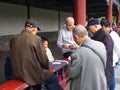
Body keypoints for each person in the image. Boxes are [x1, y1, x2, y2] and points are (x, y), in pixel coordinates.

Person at [10, 18, 61, 90]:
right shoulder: (36, 39)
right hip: (31, 74)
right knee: (53, 79)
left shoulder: (13, 39)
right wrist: (46, 68)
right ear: (34, 28)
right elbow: (43, 59)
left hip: (17, 74)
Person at [67, 24, 107, 90]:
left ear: (76, 37)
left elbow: (71, 73)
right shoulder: (101, 45)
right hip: (101, 84)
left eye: (74, 39)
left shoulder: (78, 53)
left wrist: (70, 62)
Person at [87, 18, 114, 90]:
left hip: (104, 69)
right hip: (99, 68)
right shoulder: (98, 35)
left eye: (90, 28)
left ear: (95, 26)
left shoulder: (105, 36)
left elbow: (106, 52)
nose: (89, 31)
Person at [101, 19, 120, 90]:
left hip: (111, 60)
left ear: (103, 26)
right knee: (110, 77)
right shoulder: (111, 34)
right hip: (108, 59)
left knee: (111, 77)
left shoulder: (112, 35)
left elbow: (118, 48)